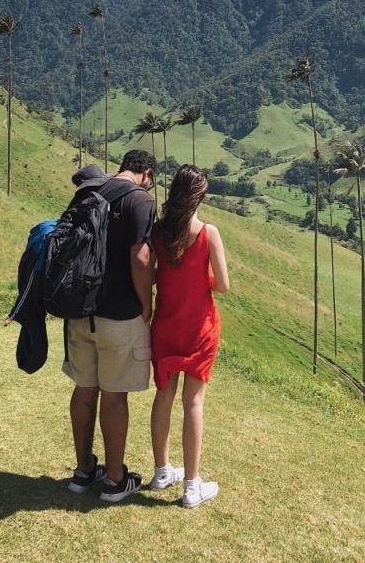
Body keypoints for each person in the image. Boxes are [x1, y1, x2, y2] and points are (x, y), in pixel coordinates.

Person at [63, 149, 157, 503]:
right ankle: (116, 481)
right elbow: (141, 257)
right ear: (146, 173)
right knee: (114, 395)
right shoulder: (140, 200)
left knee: (84, 390)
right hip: (119, 315)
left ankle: (84, 471)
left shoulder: (89, 192)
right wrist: (146, 306)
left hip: (80, 310)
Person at [149, 164, 229, 509]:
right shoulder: (208, 233)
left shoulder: (158, 233)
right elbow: (223, 286)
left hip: (164, 327)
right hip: (199, 329)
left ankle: (162, 471)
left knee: (163, 398)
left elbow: (152, 274)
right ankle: (192, 486)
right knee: (193, 403)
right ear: (200, 197)